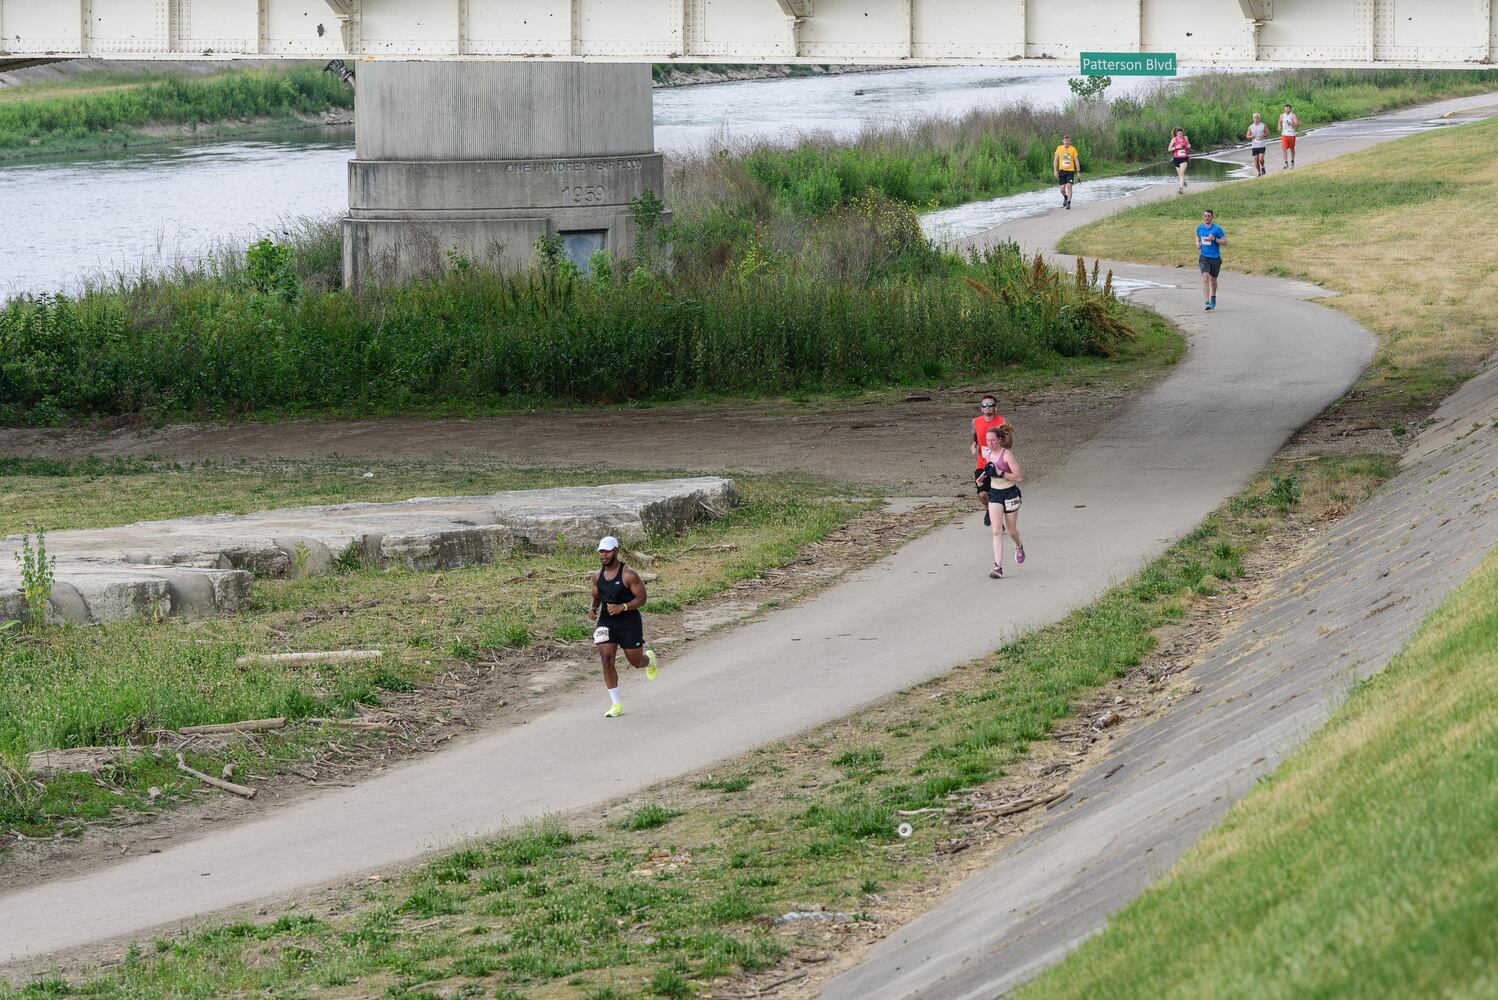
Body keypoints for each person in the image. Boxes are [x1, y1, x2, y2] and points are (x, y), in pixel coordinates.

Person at [589, 535, 657, 718]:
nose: (604, 555)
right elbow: (596, 595)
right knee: (606, 658)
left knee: (635, 662)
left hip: (629, 622)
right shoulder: (597, 576)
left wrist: (623, 607)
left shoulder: (628, 574)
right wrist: (593, 608)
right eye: (601, 551)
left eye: (608, 551)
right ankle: (616, 703)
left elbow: (642, 599)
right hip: (606, 621)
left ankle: (649, 660)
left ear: (617, 551)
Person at [978, 424, 1024, 578]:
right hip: (995, 494)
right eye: (988, 441)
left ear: (999, 440)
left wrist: (1001, 472)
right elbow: (989, 468)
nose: (990, 443)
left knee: (1011, 531)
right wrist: (982, 477)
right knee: (996, 531)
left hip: (1010, 493)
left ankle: (1018, 546)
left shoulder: (1007, 455)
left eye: (993, 440)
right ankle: (998, 566)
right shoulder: (988, 454)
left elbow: (1019, 477)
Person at [970, 395, 1006, 527]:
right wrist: (974, 445)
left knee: (997, 496)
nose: (987, 408)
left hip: (998, 463)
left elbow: (1008, 443)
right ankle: (989, 510)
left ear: (995, 407)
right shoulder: (975, 422)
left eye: (990, 405)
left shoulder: (1001, 421)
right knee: (983, 495)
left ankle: (996, 518)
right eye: (984, 405)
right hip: (982, 464)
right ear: (981, 409)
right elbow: (974, 437)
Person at [1195, 208, 1227, 311]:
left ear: (1212, 217)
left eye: (1209, 216)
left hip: (1215, 258)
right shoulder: (1199, 228)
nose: (1207, 218)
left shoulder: (1217, 229)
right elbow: (1197, 236)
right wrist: (1198, 244)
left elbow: (1225, 242)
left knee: (1213, 280)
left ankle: (1213, 296)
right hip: (1204, 257)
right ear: (1203, 217)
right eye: (1205, 216)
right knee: (1205, 278)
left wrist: (1214, 239)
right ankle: (1207, 302)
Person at [1053, 134, 1081, 210]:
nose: (1067, 142)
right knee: (1062, 189)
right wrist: (1055, 171)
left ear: (1070, 141)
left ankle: (1069, 203)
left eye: (1068, 141)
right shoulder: (1059, 148)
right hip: (1062, 171)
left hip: (1070, 171)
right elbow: (1055, 160)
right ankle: (1065, 197)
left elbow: (1076, 160)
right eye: (1065, 140)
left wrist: (1078, 171)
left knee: (1069, 186)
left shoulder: (1073, 149)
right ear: (1063, 141)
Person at [1168, 127, 1191, 194]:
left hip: (1184, 158)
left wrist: (1187, 145)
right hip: (1176, 158)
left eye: (1181, 133)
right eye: (1178, 133)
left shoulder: (1185, 138)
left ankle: (1180, 189)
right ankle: (1183, 182)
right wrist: (1176, 147)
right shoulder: (1174, 139)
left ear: (1182, 133)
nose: (1180, 135)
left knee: (1182, 173)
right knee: (1180, 175)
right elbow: (1169, 149)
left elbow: (1189, 146)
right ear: (1176, 134)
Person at [1278, 103, 1299, 169]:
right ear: (1284, 109)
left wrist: (1291, 124)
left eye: (1288, 108)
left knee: (1292, 149)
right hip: (1284, 135)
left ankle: (1292, 162)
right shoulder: (1281, 116)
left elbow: (1297, 125)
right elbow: (1280, 122)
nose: (1287, 109)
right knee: (1284, 149)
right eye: (1286, 108)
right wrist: (1279, 126)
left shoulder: (1293, 115)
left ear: (1290, 109)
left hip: (1291, 135)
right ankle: (1286, 163)